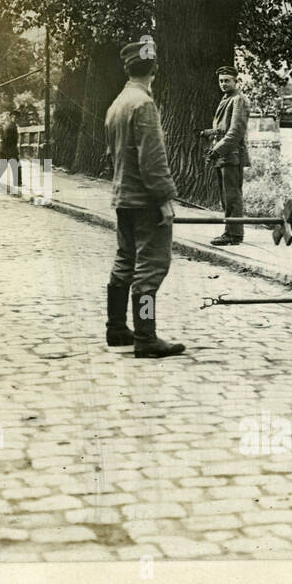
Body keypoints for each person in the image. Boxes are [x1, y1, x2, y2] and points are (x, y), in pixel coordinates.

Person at [104, 39, 185, 358]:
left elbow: (113, 154)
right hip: (146, 201)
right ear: (153, 69)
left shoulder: (117, 104)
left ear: (128, 69)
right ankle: (146, 336)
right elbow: (153, 160)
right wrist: (165, 199)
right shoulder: (144, 105)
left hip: (123, 197)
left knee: (124, 262)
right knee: (150, 270)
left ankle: (116, 328)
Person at [199, 65, 251, 246]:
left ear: (235, 81)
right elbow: (224, 129)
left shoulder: (238, 100)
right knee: (225, 196)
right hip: (224, 155)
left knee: (232, 196)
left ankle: (234, 235)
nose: (223, 84)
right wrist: (209, 132)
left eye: (227, 80)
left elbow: (235, 131)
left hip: (232, 155)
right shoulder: (227, 99)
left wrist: (216, 150)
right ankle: (230, 231)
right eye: (221, 81)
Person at [0, 108, 23, 196]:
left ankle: (17, 182)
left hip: (7, 149)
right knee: (15, 166)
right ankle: (18, 183)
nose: (16, 118)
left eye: (17, 117)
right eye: (15, 117)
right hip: (7, 149)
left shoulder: (11, 125)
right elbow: (6, 139)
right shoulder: (10, 126)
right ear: (11, 117)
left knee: (7, 166)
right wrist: (12, 151)